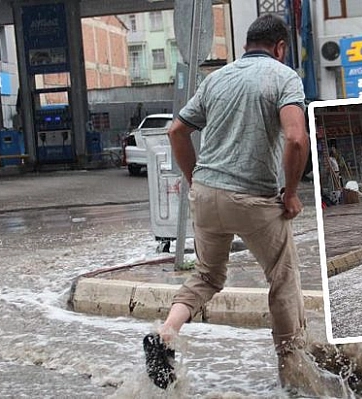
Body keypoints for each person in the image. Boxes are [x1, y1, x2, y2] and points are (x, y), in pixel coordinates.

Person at [142, 13, 346, 397]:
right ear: (280, 47)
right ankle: (292, 373)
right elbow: (297, 139)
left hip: (206, 193)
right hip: (254, 200)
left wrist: (194, 179)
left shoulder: (216, 79)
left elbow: (176, 131)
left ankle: (165, 333)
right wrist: (289, 193)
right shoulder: (283, 77)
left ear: (247, 45)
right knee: (282, 280)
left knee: (206, 276)